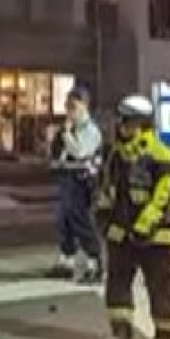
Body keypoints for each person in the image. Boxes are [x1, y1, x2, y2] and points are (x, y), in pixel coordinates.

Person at [95, 95, 170, 339]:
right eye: (120, 121)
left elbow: (163, 196)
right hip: (121, 232)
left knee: (159, 283)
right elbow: (107, 188)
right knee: (117, 282)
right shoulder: (115, 154)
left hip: (157, 235)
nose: (120, 126)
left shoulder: (161, 156)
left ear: (140, 123)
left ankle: (165, 331)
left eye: (125, 121)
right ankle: (122, 333)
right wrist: (102, 216)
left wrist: (143, 226)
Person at [49, 88, 104, 282]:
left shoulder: (90, 130)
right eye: (67, 105)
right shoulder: (69, 129)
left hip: (82, 180)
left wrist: (65, 134)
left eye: (73, 106)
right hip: (67, 177)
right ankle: (66, 261)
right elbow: (59, 153)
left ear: (84, 106)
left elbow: (80, 151)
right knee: (64, 221)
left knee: (81, 220)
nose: (69, 110)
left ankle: (94, 262)